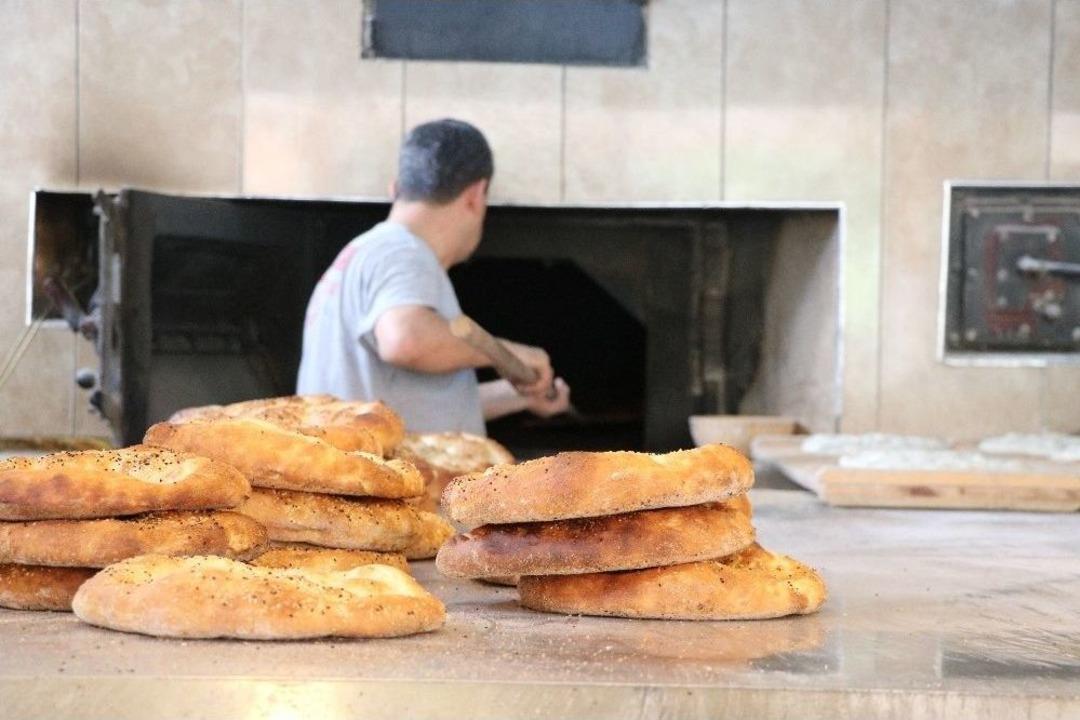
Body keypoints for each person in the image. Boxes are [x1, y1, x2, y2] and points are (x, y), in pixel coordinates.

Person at [297, 119, 571, 435]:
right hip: (384, 468)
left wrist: (517, 398)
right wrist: (506, 353)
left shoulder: (367, 255)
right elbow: (405, 340)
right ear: (476, 195)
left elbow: (408, 407)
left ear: (395, 188)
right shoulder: (402, 252)